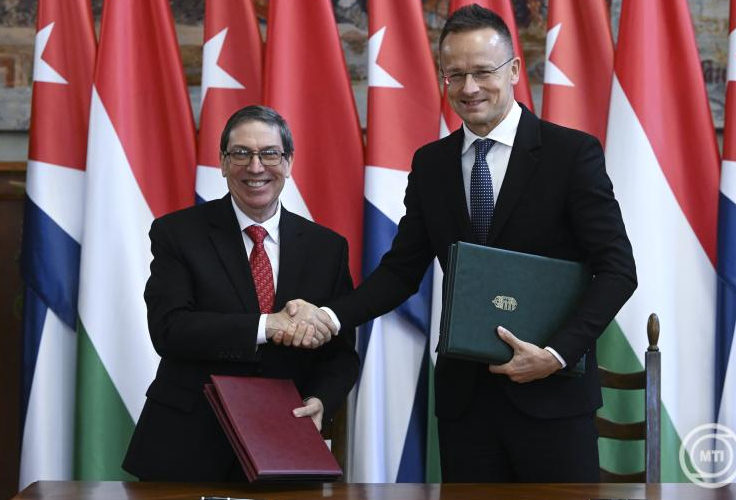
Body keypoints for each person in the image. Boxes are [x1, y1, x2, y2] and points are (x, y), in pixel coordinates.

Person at [290, 4, 637, 482]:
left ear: (514, 70)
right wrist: (328, 317)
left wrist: (556, 355)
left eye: (482, 72)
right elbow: (400, 272)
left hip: (552, 399)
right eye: (454, 74)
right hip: (465, 406)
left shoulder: (571, 154)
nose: (469, 87)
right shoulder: (431, 164)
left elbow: (618, 270)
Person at [122, 105, 360, 481]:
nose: (255, 166)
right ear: (222, 162)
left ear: (289, 162)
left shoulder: (327, 248)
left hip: (286, 441)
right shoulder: (177, 233)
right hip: (187, 446)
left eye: (270, 154)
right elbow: (170, 329)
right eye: (241, 153)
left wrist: (321, 401)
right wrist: (268, 326)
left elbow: (342, 353)